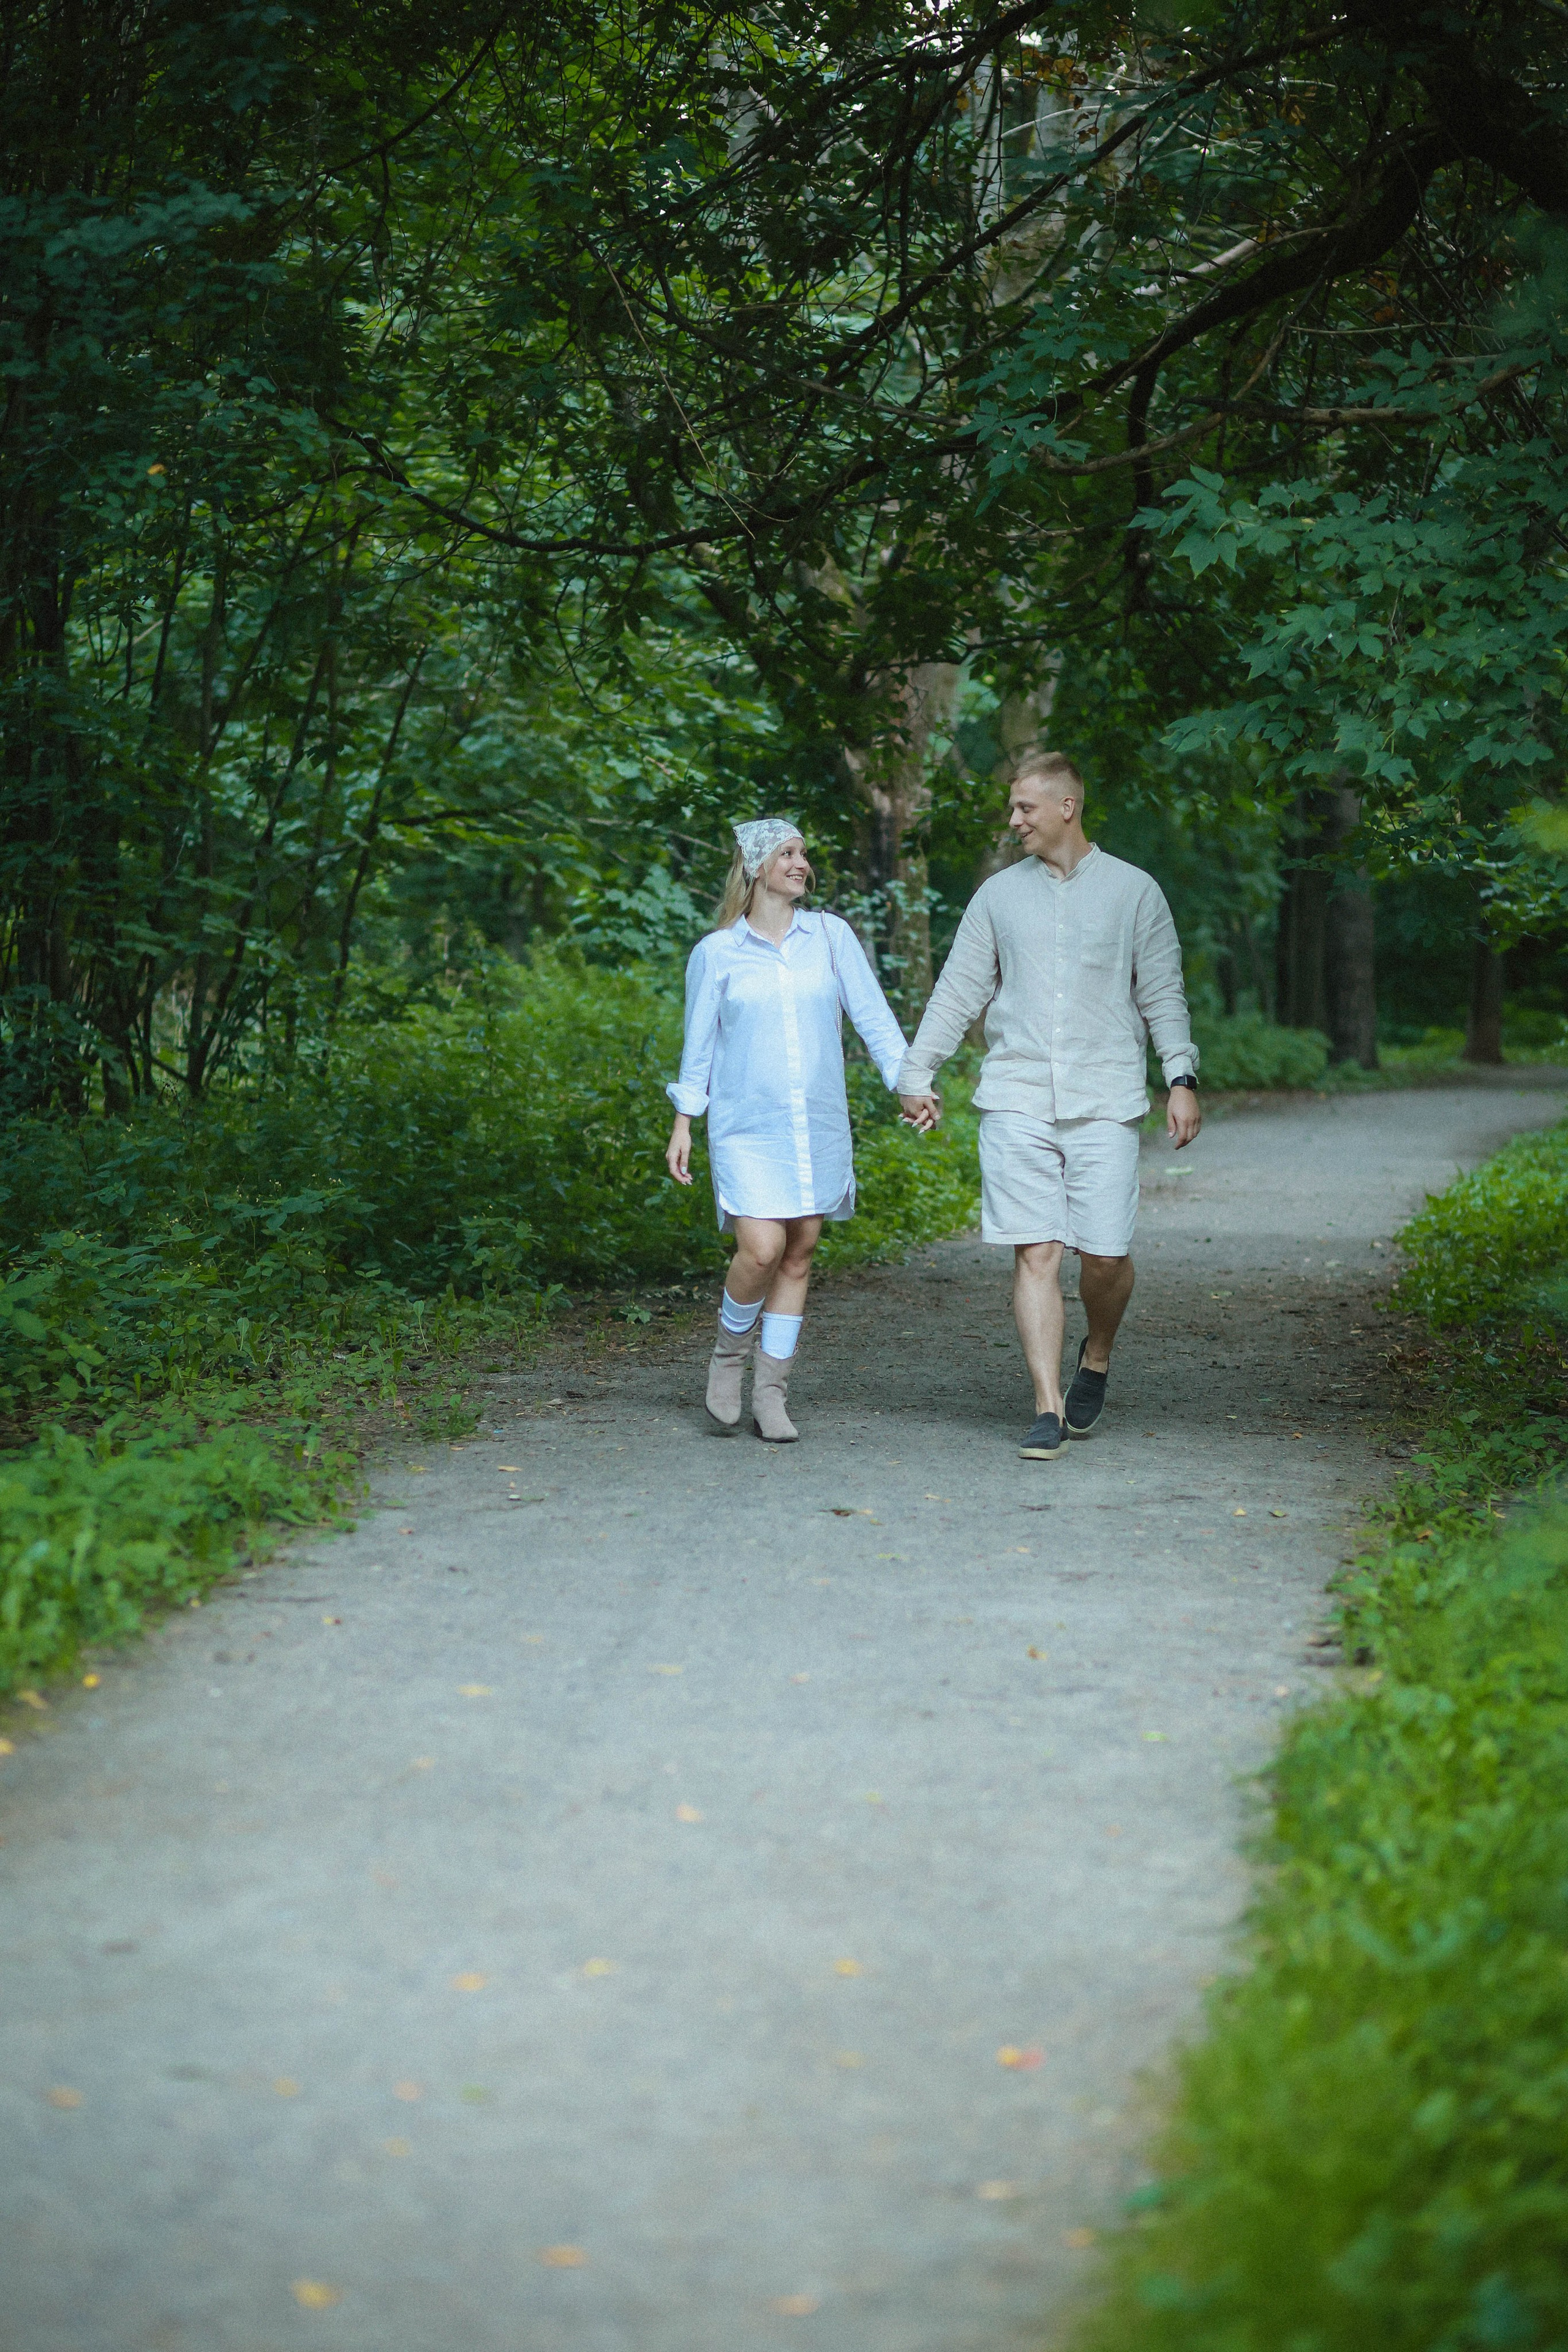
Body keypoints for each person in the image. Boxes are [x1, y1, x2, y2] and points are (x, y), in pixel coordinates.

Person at [896, 752, 1200, 1461]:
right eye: (1012, 809)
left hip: (1105, 1095)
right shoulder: (998, 897)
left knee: (1104, 1255)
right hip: (1017, 1094)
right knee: (1037, 1249)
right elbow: (958, 990)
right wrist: (918, 1070)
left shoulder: (1134, 892)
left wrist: (1180, 1076)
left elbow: (1162, 992)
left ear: (1067, 807)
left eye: (1025, 808)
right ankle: (1046, 1406)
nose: (1014, 821)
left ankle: (1095, 1354)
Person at [666, 817, 924, 1442]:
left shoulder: (831, 937)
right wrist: (683, 1123)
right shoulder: (718, 953)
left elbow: (875, 1020)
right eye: (787, 853)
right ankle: (729, 1359)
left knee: (801, 1247)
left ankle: (771, 1392)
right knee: (761, 1249)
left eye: (803, 853)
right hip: (746, 1127)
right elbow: (698, 1046)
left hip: (815, 1122)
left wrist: (909, 1083)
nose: (801, 863)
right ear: (756, 867)